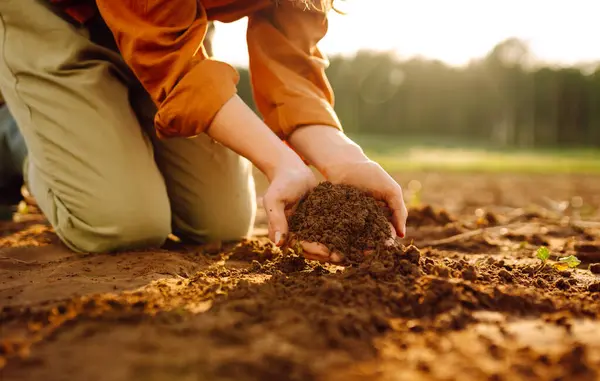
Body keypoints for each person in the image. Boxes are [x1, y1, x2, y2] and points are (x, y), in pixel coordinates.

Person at [0, 0, 407, 263]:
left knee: (221, 223)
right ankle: (14, 133)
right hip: (57, 14)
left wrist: (345, 160)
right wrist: (277, 159)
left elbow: (291, 62)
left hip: (175, 27)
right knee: (122, 224)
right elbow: (170, 64)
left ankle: (103, 126)